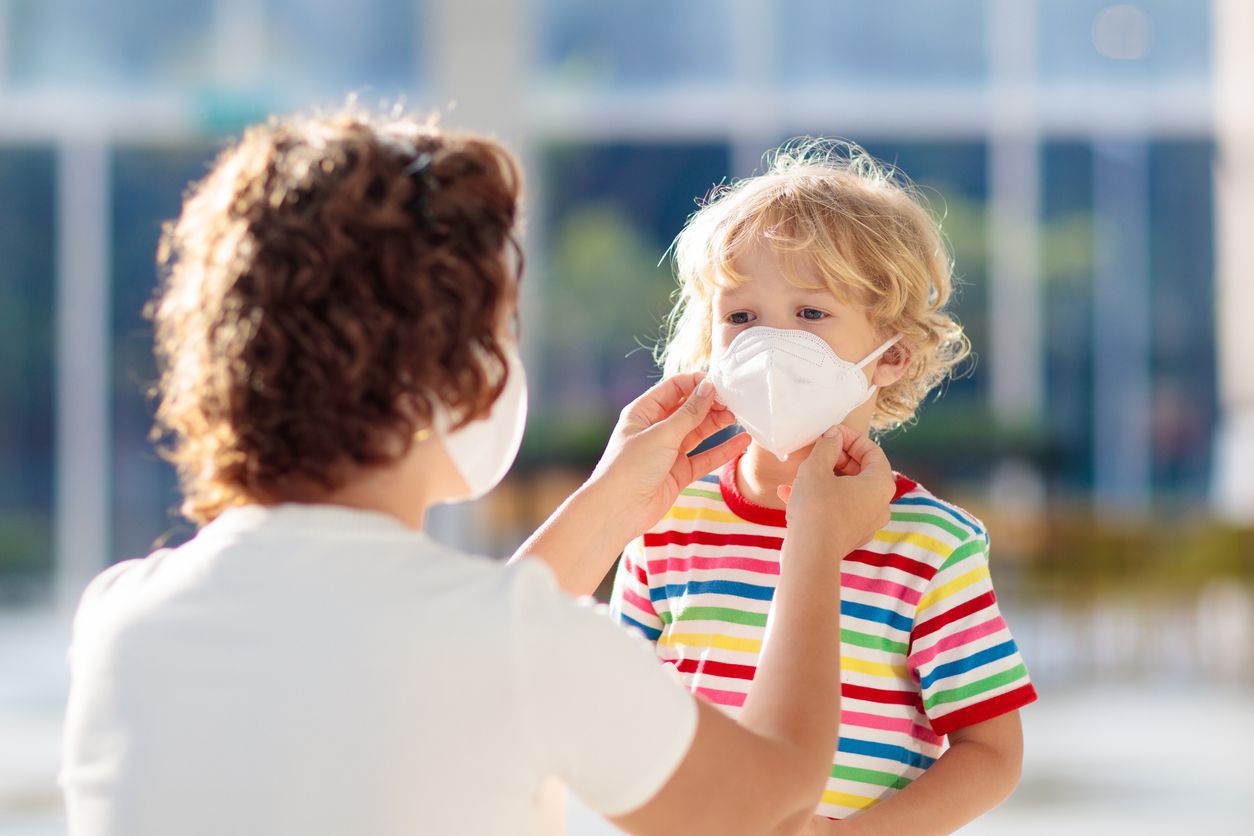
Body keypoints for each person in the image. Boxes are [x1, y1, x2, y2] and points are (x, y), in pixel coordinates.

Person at [58, 108, 899, 836]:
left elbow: (439, 662)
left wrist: (610, 504)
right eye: (503, 329)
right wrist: (815, 544)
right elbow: (770, 797)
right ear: (456, 372)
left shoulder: (119, 620)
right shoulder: (517, 648)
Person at [608, 140, 1039, 833]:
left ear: (891, 354)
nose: (771, 345)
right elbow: (619, 716)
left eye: (810, 314)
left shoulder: (933, 546)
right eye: (741, 317)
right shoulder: (665, 522)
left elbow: (991, 751)